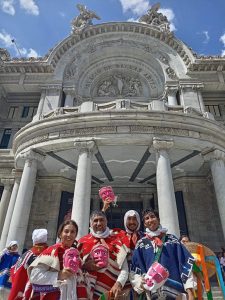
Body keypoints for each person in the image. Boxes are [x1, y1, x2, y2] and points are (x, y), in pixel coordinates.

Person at [130, 209, 196, 300]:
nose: (150, 220)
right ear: (144, 223)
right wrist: (140, 283)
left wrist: (190, 291)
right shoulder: (141, 244)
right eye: (147, 218)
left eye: (153, 217)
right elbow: (135, 269)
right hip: (152, 293)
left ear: (159, 220)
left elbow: (184, 264)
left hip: (176, 293)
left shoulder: (172, 240)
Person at [28, 220, 87, 300]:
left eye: (72, 232)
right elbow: (34, 276)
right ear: (60, 234)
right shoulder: (51, 252)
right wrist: (59, 275)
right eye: (66, 231)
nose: (69, 235)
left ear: (75, 235)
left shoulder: (76, 256)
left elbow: (80, 282)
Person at [78, 210, 129, 299]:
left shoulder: (116, 241)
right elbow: (74, 269)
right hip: (87, 291)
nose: (99, 223)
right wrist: (85, 266)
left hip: (112, 292)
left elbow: (124, 268)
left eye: (102, 220)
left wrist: (118, 284)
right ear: (90, 223)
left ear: (106, 222)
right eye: (95, 220)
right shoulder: (82, 242)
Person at [9, 228, 48, 300]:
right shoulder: (46, 254)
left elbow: (14, 271)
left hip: (20, 289)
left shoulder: (26, 254)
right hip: (33, 292)